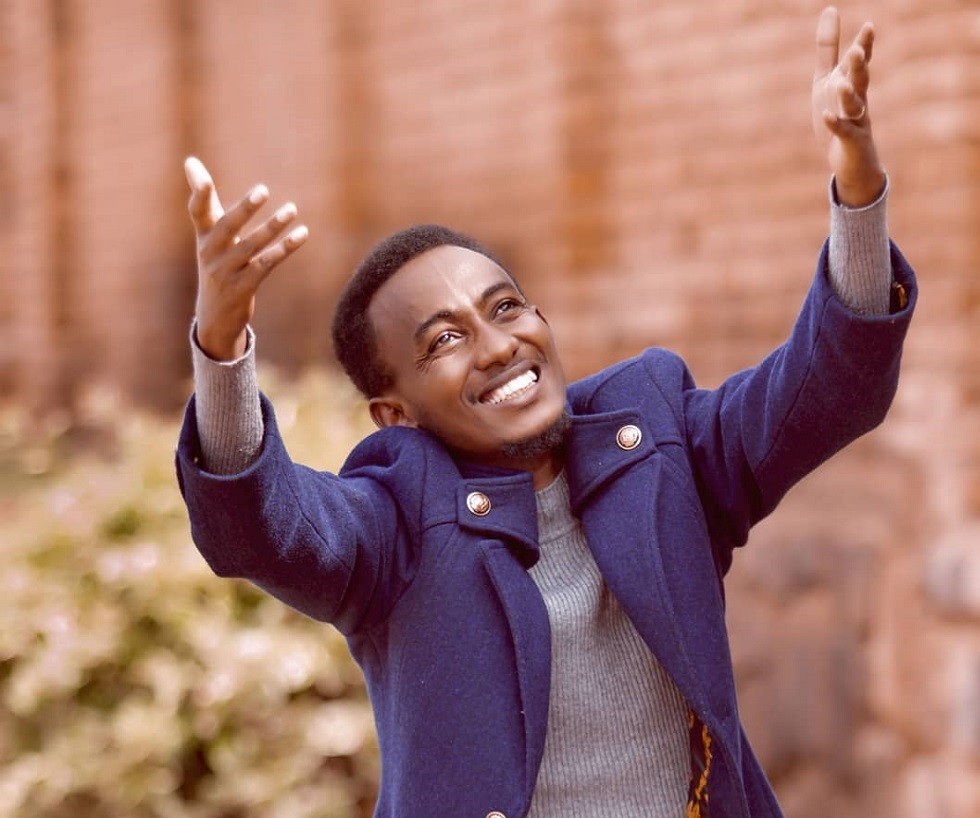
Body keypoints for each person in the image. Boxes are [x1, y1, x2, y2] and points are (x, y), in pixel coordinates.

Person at [176, 8, 915, 818]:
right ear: (395, 414)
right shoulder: (393, 527)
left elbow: (830, 389)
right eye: (445, 340)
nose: (498, 346)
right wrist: (221, 343)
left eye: (506, 307)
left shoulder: (661, 442)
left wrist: (857, 188)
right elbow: (260, 526)